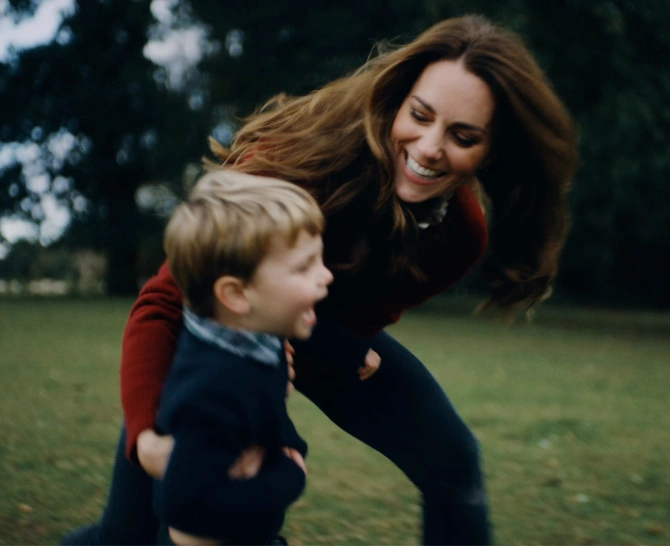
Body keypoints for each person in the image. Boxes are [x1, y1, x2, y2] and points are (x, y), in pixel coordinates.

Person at [61, 14, 577, 546]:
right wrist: (147, 437)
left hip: (311, 328)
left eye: (463, 136)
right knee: (127, 535)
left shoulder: (459, 238)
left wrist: (337, 349)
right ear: (398, 99)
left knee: (453, 460)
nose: (428, 147)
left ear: (493, 150)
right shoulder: (298, 165)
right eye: (420, 116)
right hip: (214, 332)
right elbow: (167, 303)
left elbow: (346, 322)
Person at [153, 170, 332, 544]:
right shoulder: (214, 387)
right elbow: (184, 505)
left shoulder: (258, 346)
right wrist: (288, 477)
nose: (326, 276)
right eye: (304, 267)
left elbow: (268, 419)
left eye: (320, 259)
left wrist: (288, 449)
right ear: (236, 295)